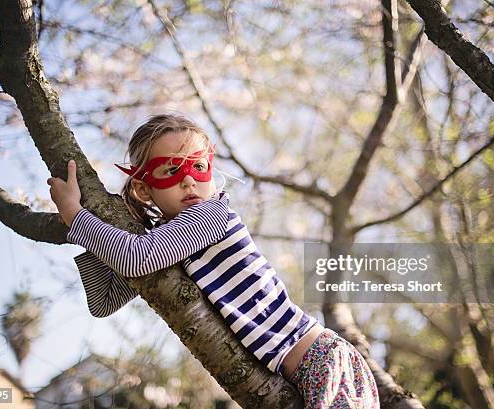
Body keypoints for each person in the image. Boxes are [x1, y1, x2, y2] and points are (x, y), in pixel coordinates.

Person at [47, 114, 380, 408]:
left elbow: (136, 258)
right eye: (172, 170)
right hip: (294, 369)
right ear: (144, 189)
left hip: (319, 360)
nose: (189, 179)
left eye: (199, 166)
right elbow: (103, 301)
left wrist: (77, 217)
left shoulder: (212, 215)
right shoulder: (167, 244)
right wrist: (91, 230)